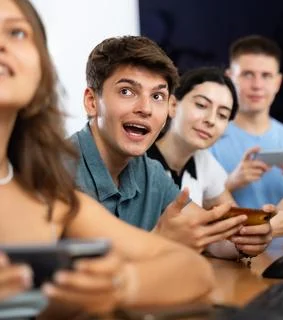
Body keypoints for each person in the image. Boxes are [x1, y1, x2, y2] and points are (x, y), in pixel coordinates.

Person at [0, 0, 214, 315]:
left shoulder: (50, 197)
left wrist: (120, 284)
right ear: (91, 101)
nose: (2, 44)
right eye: (128, 91)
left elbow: (195, 272)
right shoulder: (63, 172)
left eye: (17, 32)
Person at [71, 36, 252, 254]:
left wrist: (246, 243)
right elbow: (82, 273)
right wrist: (160, 240)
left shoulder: (149, 171)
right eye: (127, 91)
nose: (145, 108)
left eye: (157, 96)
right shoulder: (54, 171)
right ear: (92, 102)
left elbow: (209, 238)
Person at [209, 35, 283, 240]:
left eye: (266, 75)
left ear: (278, 82)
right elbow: (194, 216)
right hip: (227, 261)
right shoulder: (209, 137)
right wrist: (230, 183)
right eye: (247, 74)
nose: (257, 85)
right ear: (230, 78)